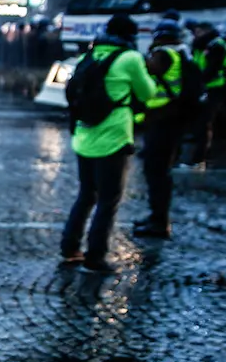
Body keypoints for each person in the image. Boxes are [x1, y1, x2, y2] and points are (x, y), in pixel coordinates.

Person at [61, 14, 158, 274]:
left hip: (84, 136)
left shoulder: (88, 56)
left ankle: (70, 248)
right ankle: (96, 256)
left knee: (85, 195)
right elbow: (147, 93)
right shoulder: (129, 59)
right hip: (113, 137)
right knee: (108, 199)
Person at [136, 19, 200, 239]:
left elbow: (146, 73)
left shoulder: (164, 54)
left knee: (156, 171)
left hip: (163, 118)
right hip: (172, 118)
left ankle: (158, 221)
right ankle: (157, 217)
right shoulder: (182, 53)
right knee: (160, 170)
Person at [188, 20, 226, 166]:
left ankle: (200, 158)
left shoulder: (215, 45)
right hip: (205, 87)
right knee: (204, 123)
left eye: (198, 31)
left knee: (205, 123)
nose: (196, 34)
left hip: (213, 88)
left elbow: (212, 68)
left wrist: (200, 81)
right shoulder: (202, 44)